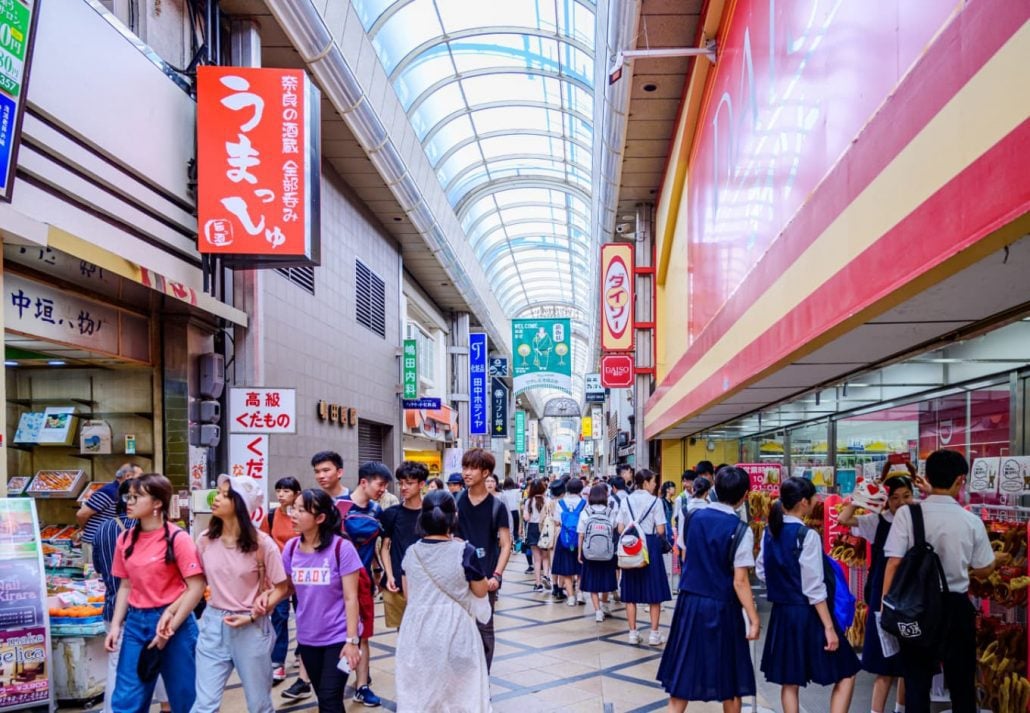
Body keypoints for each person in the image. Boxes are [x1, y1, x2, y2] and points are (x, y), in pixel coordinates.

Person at [882, 449, 997, 713]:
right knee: (961, 681)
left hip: (915, 608)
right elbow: (983, 568)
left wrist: (886, 607)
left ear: (929, 477)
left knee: (916, 680)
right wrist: (995, 562)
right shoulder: (971, 521)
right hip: (957, 608)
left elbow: (894, 562)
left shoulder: (907, 515)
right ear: (960, 480)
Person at [657, 466, 760, 712]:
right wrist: (754, 618)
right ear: (745, 495)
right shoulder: (740, 530)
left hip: (690, 603)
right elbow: (740, 581)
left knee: (683, 672)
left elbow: (686, 551)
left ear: (715, 488)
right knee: (731, 678)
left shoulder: (692, 517)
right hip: (723, 606)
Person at [104, 473, 205, 713]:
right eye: (128, 496)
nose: (129, 502)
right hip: (136, 624)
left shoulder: (178, 539)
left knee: (185, 698)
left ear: (157, 503)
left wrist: (170, 626)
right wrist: (117, 626)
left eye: (137, 497)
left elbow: (197, 587)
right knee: (126, 699)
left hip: (176, 624)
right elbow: (126, 586)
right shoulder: (125, 539)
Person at [757, 476, 859, 713]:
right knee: (847, 671)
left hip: (781, 615)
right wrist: (829, 628)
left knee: (790, 682)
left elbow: (762, 571)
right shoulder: (808, 536)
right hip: (808, 615)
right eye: (813, 497)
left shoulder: (769, 532)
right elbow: (815, 589)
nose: (815, 501)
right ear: (804, 502)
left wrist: (785, 584)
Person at [191, 475, 290, 713]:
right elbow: (195, 584)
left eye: (225, 494)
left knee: (259, 705)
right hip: (213, 625)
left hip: (251, 628)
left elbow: (282, 587)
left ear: (241, 505)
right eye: (219, 492)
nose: (217, 498)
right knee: (204, 705)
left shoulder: (262, 544)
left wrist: (258, 612)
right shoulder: (205, 540)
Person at [394, 490, 491, 712]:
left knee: (421, 690)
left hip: (417, 629)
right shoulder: (465, 551)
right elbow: (480, 590)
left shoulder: (411, 552)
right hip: (456, 628)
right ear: (453, 516)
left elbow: (409, 595)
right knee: (460, 692)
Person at [267, 489, 361, 713]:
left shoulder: (341, 548)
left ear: (320, 518)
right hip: (308, 638)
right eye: (294, 509)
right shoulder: (291, 548)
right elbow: (287, 588)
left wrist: (352, 641)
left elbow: (351, 598)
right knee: (324, 698)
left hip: (338, 637)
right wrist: (264, 603)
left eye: (301, 510)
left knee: (330, 698)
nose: (294, 514)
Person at [837, 472, 915, 713]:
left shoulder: (919, 519)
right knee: (884, 661)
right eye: (895, 498)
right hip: (882, 595)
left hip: (912, 594)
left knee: (908, 662)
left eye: (907, 496)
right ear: (886, 500)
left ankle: (900, 709)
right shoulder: (876, 521)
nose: (901, 502)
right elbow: (843, 519)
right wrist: (858, 499)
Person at [93, 479, 171, 713]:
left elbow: (97, 565)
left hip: (111, 605)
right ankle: (166, 706)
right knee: (149, 666)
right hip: (142, 611)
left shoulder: (102, 529)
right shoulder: (145, 532)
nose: (132, 502)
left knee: (120, 669)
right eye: (132, 496)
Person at [338, 461, 391, 707]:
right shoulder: (339, 507)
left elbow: (385, 546)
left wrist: (383, 573)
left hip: (363, 582)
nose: (383, 490)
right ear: (364, 482)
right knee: (335, 634)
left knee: (364, 635)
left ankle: (362, 686)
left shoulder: (378, 511)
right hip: (336, 582)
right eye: (380, 485)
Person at [454, 448, 512, 671]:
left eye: (472, 468)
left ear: (486, 472)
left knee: (485, 628)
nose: (466, 472)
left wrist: (497, 575)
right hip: (458, 577)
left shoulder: (497, 506)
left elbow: (505, 544)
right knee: (459, 628)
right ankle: (463, 678)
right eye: (464, 467)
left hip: (486, 578)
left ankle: (482, 679)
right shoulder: (456, 501)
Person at [617, 469, 671, 645]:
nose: (656, 485)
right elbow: (661, 530)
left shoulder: (625, 500)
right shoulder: (656, 502)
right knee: (654, 590)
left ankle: (633, 633)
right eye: (654, 481)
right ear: (646, 482)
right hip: (650, 546)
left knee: (630, 590)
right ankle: (654, 634)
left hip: (631, 545)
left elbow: (619, 528)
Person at [261, 476, 303, 688]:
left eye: (286, 491)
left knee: (303, 613)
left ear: (296, 494)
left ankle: (302, 652)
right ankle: (278, 661)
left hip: (302, 572)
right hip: (278, 575)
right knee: (279, 616)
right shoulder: (271, 516)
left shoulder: (301, 515)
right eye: (278, 490)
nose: (281, 495)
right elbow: (264, 542)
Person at [380, 461, 429, 629]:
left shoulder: (431, 514)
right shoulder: (392, 514)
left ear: (421, 484)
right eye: (401, 483)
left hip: (425, 583)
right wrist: (390, 575)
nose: (403, 487)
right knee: (403, 633)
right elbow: (385, 548)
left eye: (409, 483)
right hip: (398, 583)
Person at [77, 462, 137, 561]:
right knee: (96, 573)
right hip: (95, 542)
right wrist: (84, 528)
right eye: (140, 477)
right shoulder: (108, 492)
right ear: (128, 476)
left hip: (109, 541)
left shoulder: (122, 492)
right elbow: (81, 514)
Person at [578, 484, 617, 622]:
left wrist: (579, 553)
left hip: (589, 552)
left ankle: (597, 611)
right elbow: (613, 531)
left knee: (593, 582)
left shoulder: (586, 512)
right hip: (607, 552)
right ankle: (605, 605)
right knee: (606, 580)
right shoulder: (610, 512)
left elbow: (581, 534)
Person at [552, 477, 587, 606]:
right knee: (580, 568)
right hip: (580, 539)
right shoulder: (584, 503)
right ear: (580, 489)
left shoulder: (560, 503)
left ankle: (571, 597)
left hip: (564, 539)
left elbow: (557, 521)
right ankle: (580, 594)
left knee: (566, 569)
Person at [522, 478, 552, 593]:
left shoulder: (529, 501)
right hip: (545, 529)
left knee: (536, 558)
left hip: (533, 529)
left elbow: (526, 518)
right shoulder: (548, 500)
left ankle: (538, 583)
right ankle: (546, 576)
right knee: (545, 556)